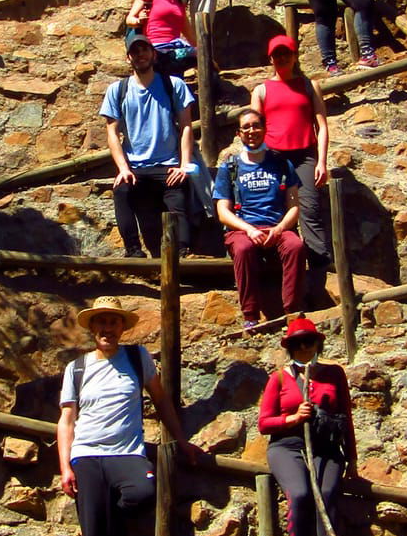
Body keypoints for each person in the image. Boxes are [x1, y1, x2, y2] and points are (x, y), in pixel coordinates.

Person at [57, 297, 201, 536]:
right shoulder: (76, 368)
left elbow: (161, 401)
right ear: (92, 327)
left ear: (122, 327)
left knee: (144, 492)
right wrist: (65, 466)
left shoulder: (137, 359)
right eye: (102, 322)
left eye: (114, 322)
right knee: (93, 531)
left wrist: (181, 440)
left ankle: (114, 529)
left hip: (127, 452)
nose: (107, 328)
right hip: (88, 454)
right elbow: (67, 420)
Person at [257, 317, 357, 536]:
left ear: (317, 344)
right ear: (289, 347)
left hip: (326, 445)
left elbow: (346, 415)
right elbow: (264, 423)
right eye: (297, 343)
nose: (304, 347)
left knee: (327, 491)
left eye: (309, 341)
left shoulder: (334, 374)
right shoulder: (278, 378)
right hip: (287, 446)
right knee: (300, 494)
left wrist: (353, 459)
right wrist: (293, 418)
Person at [100, 29, 198, 259]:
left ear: (153, 54)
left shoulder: (173, 85)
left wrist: (184, 165)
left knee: (178, 200)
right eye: (135, 51)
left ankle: (182, 252)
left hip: (168, 164)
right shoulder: (118, 90)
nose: (140, 54)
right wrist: (123, 168)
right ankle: (133, 250)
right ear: (128, 58)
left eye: (145, 49)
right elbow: (112, 133)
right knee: (121, 191)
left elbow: (185, 126)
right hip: (136, 166)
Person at [214, 109, 305, 330]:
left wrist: (280, 228)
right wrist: (249, 230)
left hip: (277, 227)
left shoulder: (282, 164)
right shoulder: (230, 167)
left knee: (295, 246)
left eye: (256, 125)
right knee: (243, 249)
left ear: (264, 129)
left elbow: (294, 206)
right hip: (243, 229)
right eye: (246, 127)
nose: (252, 131)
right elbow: (222, 211)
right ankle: (250, 315)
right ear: (239, 133)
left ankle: (293, 312)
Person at [251, 32, 333, 271]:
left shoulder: (309, 85)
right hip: (274, 156)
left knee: (310, 208)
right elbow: (255, 129)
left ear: (295, 56)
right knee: (275, 208)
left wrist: (322, 162)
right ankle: (281, 265)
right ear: (270, 59)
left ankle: (320, 264)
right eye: (277, 54)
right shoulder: (261, 90)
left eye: (286, 53)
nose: (282, 58)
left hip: (305, 155)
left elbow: (322, 125)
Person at [124, 0, 197, 79]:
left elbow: (189, 34)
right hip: (155, 49)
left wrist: (204, 55)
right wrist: (139, 20)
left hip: (174, 49)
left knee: (173, 86)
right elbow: (129, 19)